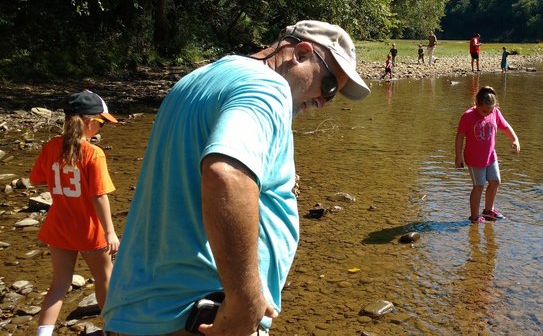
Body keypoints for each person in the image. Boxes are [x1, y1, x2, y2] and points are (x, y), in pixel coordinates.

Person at [102, 20, 370, 335]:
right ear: (300, 53)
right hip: (198, 316)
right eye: (327, 86)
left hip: (138, 313)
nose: (323, 102)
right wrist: (246, 302)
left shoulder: (198, 78)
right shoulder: (268, 87)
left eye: (332, 95)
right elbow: (226, 175)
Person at [30, 90, 120, 336]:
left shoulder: (51, 147)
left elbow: (35, 179)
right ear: (89, 122)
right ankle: (111, 329)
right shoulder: (93, 153)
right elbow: (99, 195)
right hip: (89, 230)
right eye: (101, 123)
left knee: (59, 284)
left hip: (58, 226)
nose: (102, 128)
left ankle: (43, 334)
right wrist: (110, 232)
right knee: (104, 279)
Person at [455, 86, 520, 223]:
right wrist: (458, 156)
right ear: (476, 104)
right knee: (479, 186)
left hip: (491, 156)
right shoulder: (468, 116)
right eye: (484, 110)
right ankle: (474, 216)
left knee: (495, 182)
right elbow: (460, 136)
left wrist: (515, 140)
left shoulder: (494, 112)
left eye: (490, 110)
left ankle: (488, 210)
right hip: (474, 159)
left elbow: (506, 127)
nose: (487, 113)